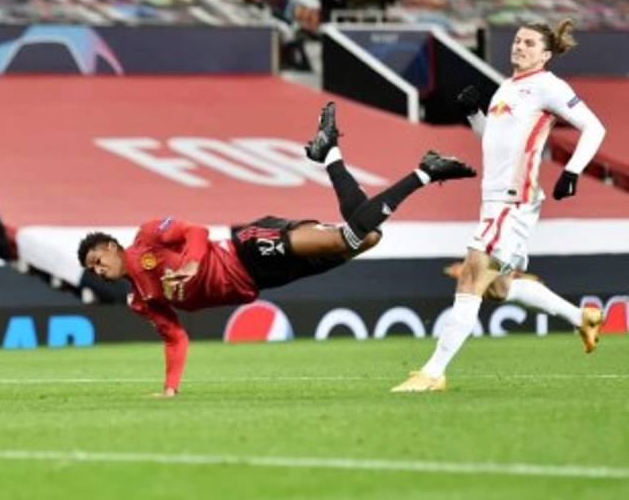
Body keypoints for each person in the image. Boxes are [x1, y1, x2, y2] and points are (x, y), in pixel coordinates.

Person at [78, 102, 477, 397]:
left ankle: (425, 171)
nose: (98, 269)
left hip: (248, 250)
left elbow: (195, 230)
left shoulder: (148, 237)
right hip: (265, 280)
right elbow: (174, 337)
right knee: (366, 237)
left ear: (112, 246)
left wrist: (195, 264)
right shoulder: (140, 300)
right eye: (91, 269)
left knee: (349, 238)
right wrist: (170, 389)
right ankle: (331, 153)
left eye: (97, 259)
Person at [393, 19, 608, 392]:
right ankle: (583, 317)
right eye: (517, 40)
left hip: (513, 200)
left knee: (471, 275)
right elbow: (494, 142)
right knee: (497, 288)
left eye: (528, 43)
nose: (519, 46)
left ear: (545, 53)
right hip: (493, 200)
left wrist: (572, 171)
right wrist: (475, 114)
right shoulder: (507, 87)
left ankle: (432, 373)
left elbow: (595, 128)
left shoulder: (548, 86)